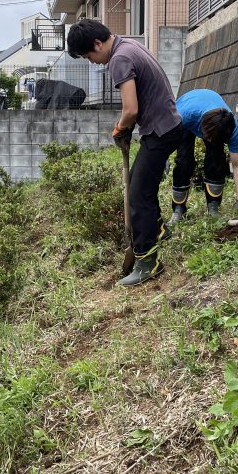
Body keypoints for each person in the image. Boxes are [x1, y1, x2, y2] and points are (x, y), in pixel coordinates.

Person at [67, 19, 183, 286]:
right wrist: (126, 128)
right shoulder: (130, 45)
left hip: (160, 131)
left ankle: (146, 261)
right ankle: (157, 230)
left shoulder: (119, 58)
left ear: (97, 44)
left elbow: (130, 109)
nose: (92, 62)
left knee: (137, 195)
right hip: (168, 126)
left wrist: (120, 127)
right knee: (144, 186)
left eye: (89, 55)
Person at [168, 88, 238, 224]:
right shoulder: (183, 114)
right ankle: (178, 209)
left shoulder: (232, 128)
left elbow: (237, 164)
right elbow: (165, 132)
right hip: (188, 118)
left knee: (216, 159)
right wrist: (163, 155)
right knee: (184, 161)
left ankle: (213, 208)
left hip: (212, 120)